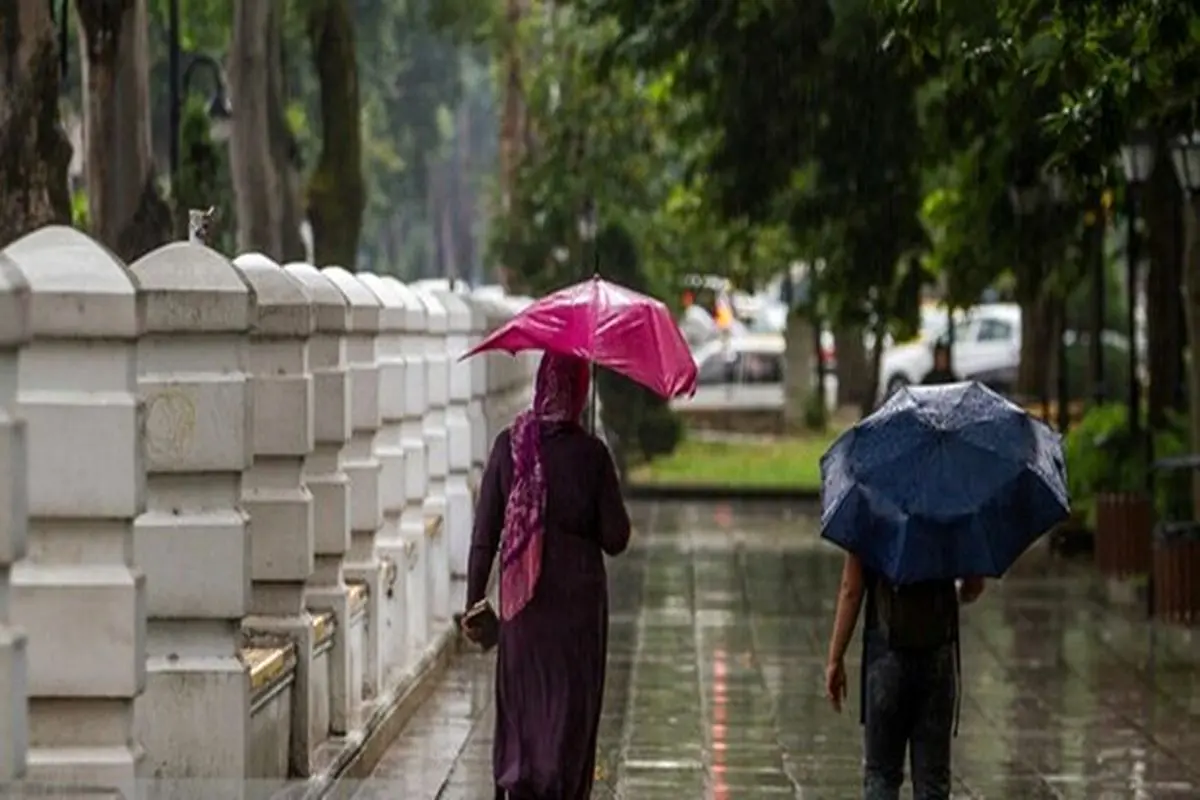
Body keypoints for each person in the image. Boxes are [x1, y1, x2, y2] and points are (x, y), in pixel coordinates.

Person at [463, 352, 632, 800]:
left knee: (524, 707)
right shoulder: (591, 454)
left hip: (524, 612)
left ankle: (519, 783)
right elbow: (617, 537)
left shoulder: (510, 446)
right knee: (568, 713)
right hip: (578, 614)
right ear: (579, 391)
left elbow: (484, 536)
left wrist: (474, 603)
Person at [824, 552, 984, 799]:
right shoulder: (953, 515)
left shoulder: (870, 514)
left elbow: (851, 589)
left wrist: (836, 657)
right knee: (933, 781)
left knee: (881, 777)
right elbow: (973, 586)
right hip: (937, 657)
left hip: (885, 655)